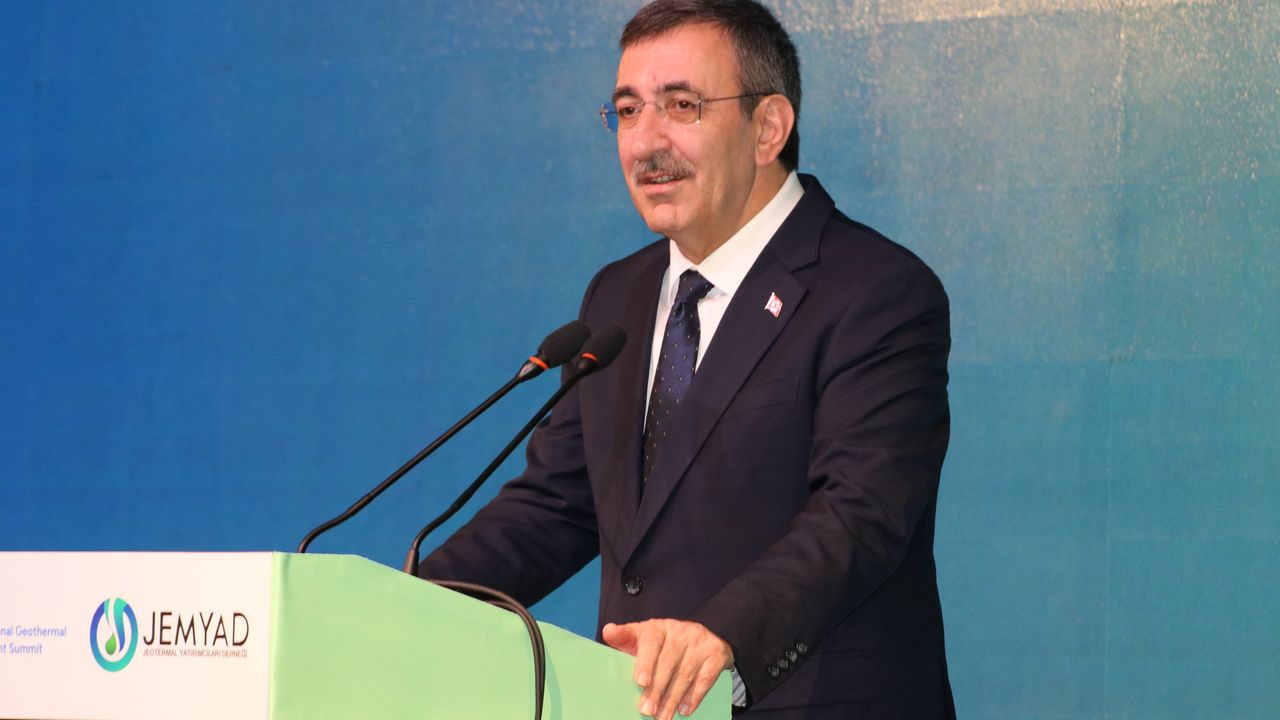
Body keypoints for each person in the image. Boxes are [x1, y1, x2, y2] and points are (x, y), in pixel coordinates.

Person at [419, 1, 956, 717]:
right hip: (641, 705)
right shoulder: (617, 297)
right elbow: (557, 506)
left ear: (768, 128)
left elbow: (859, 515)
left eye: (682, 106)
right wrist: (405, 599)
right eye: (628, 111)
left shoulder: (874, 291)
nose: (646, 142)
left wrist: (720, 633)